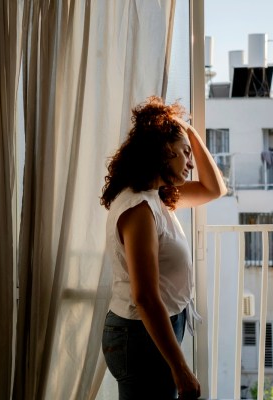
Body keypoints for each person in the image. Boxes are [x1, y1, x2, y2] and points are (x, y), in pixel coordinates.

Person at [100, 96, 227, 400]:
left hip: (152, 331)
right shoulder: (139, 208)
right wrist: (180, 368)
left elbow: (214, 189)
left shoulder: (157, 197)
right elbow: (144, 296)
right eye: (184, 153)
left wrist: (190, 134)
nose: (190, 161)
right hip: (139, 336)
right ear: (163, 151)